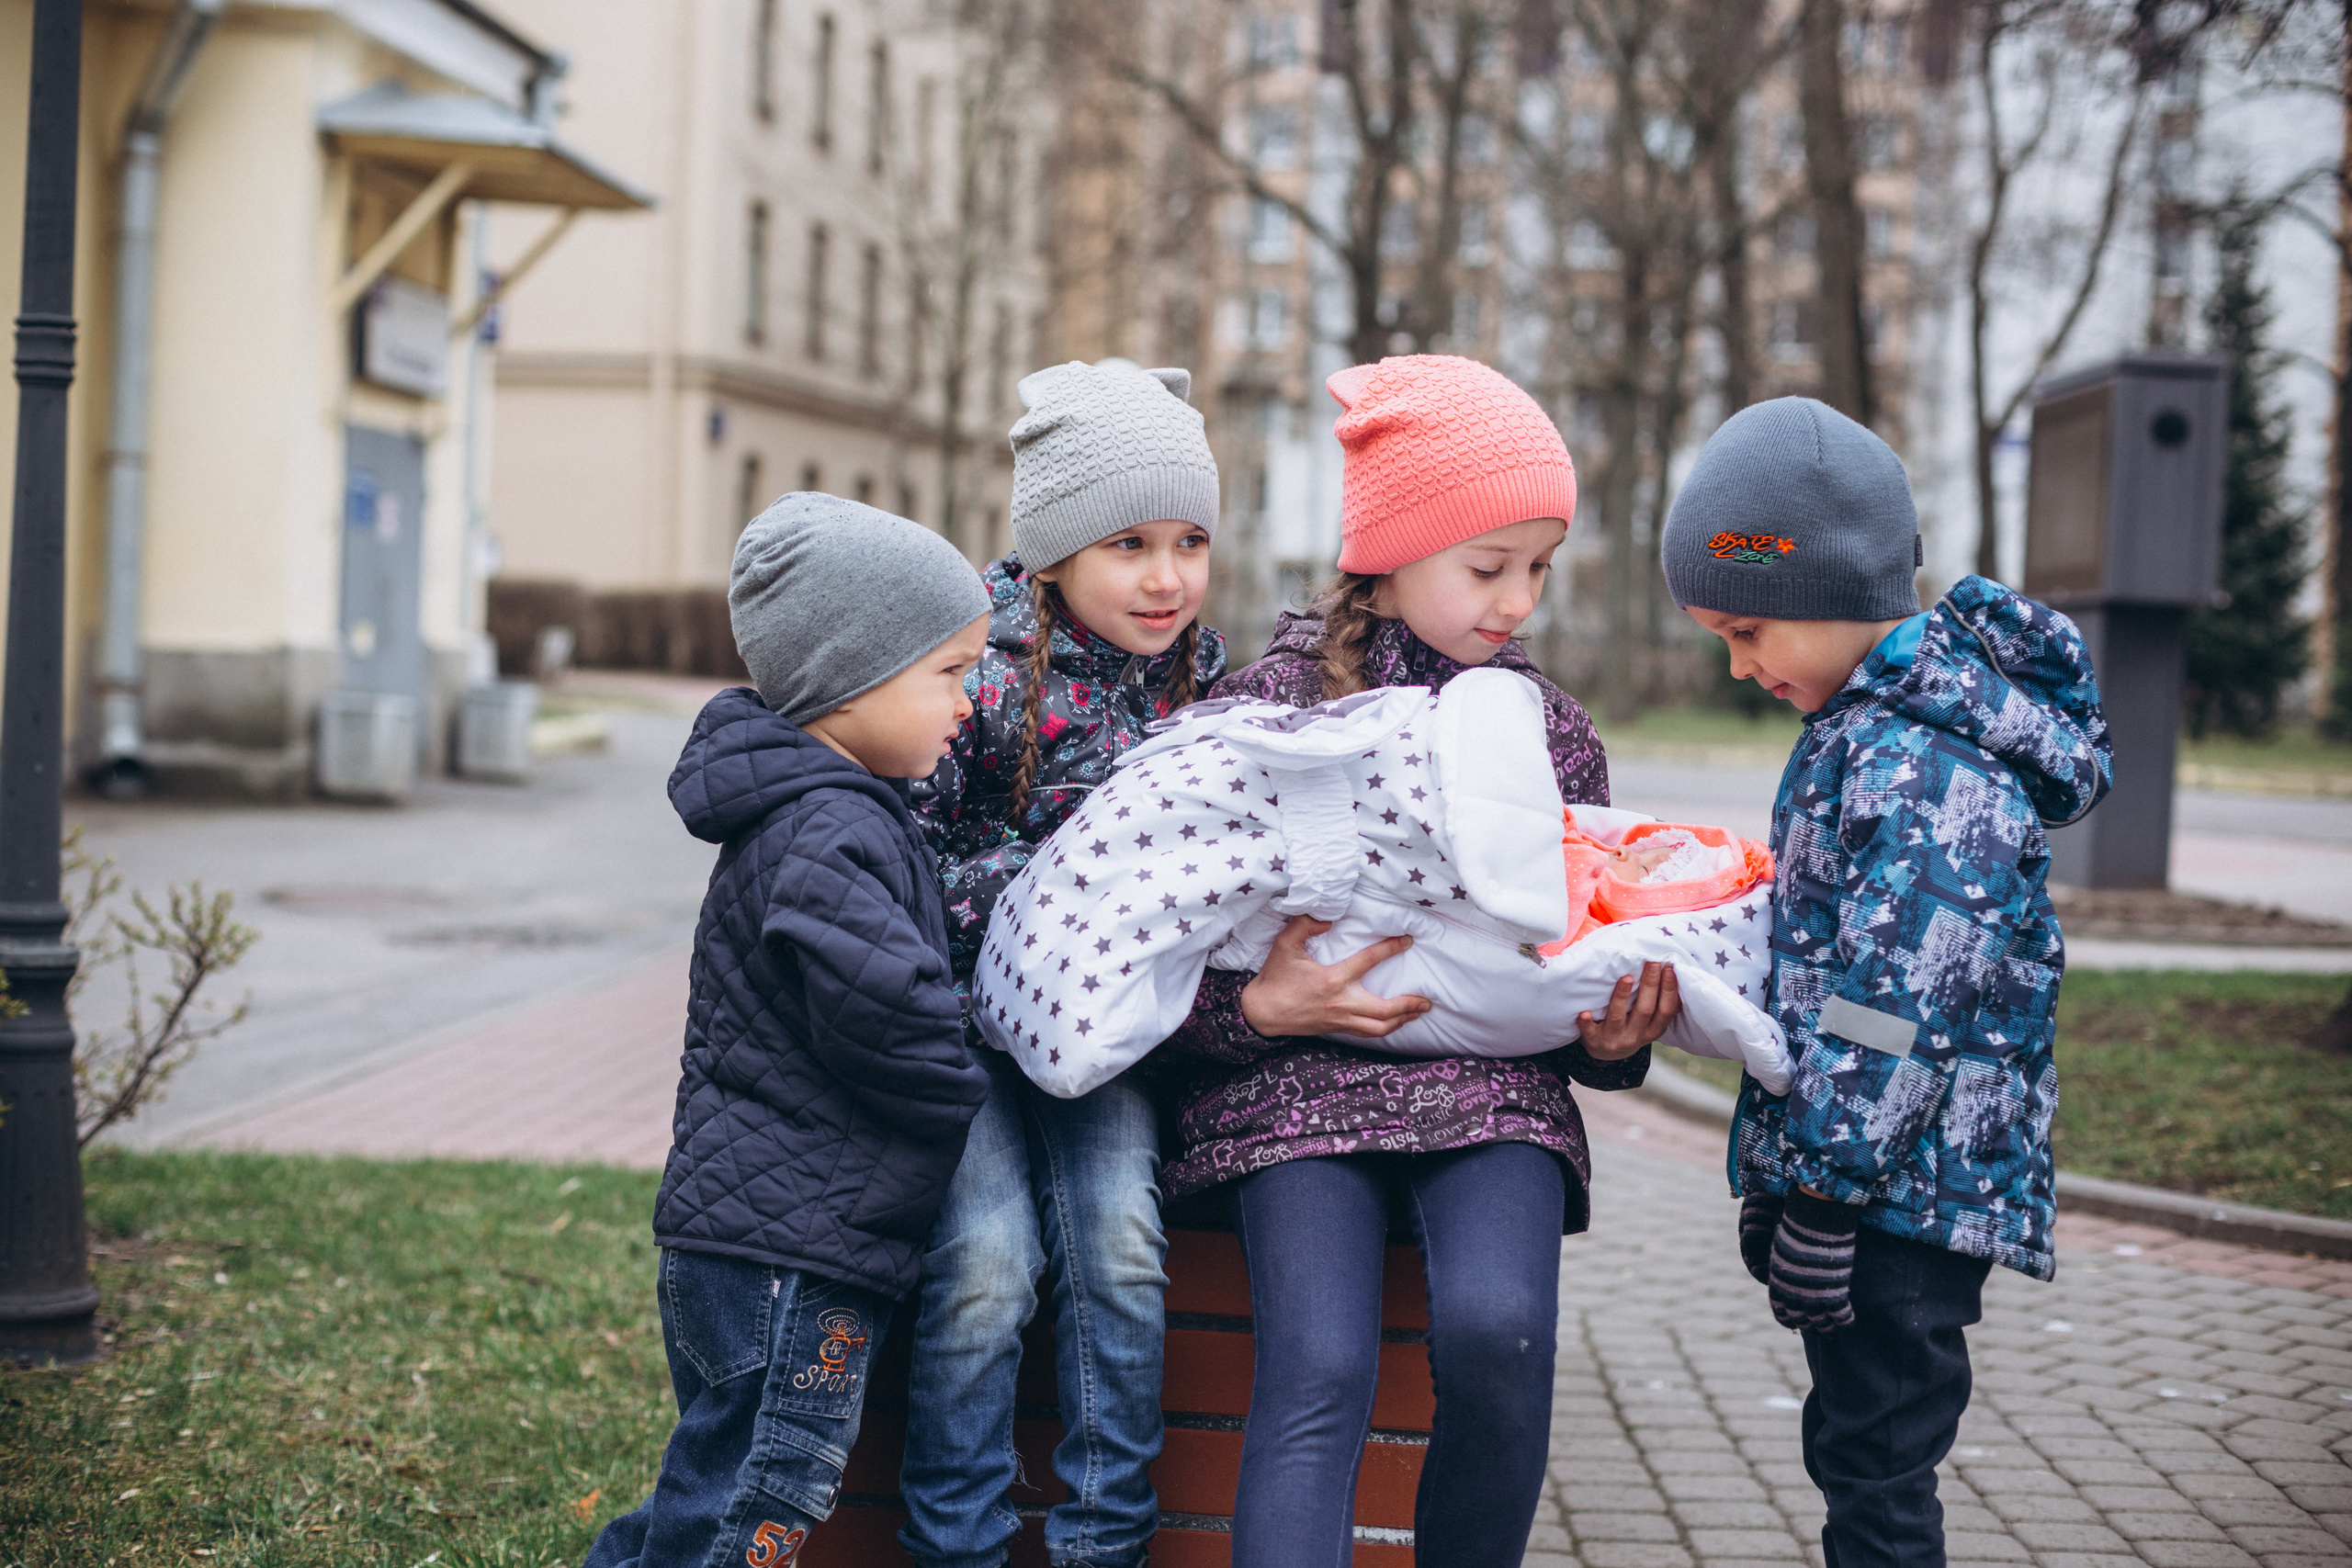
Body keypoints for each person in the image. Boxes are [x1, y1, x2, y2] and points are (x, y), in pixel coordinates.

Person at [1155, 354, 1680, 1568]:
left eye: (1539, 568)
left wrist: (1613, 1037)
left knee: (1500, 1332)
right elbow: (1162, 956)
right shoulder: (1255, 713)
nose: (1519, 601)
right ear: (1386, 554)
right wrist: (1258, 1013)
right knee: (1321, 1361)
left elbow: (1579, 953)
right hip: (1296, 1093)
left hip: (1493, 1095)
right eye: (1488, 566)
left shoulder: (1550, 730)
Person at [1662, 397, 2112, 1568]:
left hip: (1904, 1196)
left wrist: (1820, 1187)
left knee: (1875, 1468)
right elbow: (1835, 963)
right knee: (1859, 1452)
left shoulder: (1920, 761)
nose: (1737, 660)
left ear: (1832, 592)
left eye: (1748, 629)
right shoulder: (1873, 728)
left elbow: (1890, 1002)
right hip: (1882, 1177)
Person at [582, 493, 993, 1568]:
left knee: (715, 1482)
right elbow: (884, 1016)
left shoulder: (824, 809)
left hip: (760, 1242)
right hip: (789, 1255)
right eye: (948, 673)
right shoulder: (827, 825)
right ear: (851, 681)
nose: (969, 701)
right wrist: (969, 1071)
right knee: (754, 1504)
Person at [899, 358, 1227, 1568]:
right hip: (962, 1035)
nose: (1166, 576)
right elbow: (904, 871)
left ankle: (1102, 1541)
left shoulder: (1204, 679)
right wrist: (1054, 887)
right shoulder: (972, 665)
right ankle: (958, 1543)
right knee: (986, 1266)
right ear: (1049, 548)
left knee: (1123, 1247)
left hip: (1104, 1039)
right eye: (1129, 540)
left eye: (1190, 540)